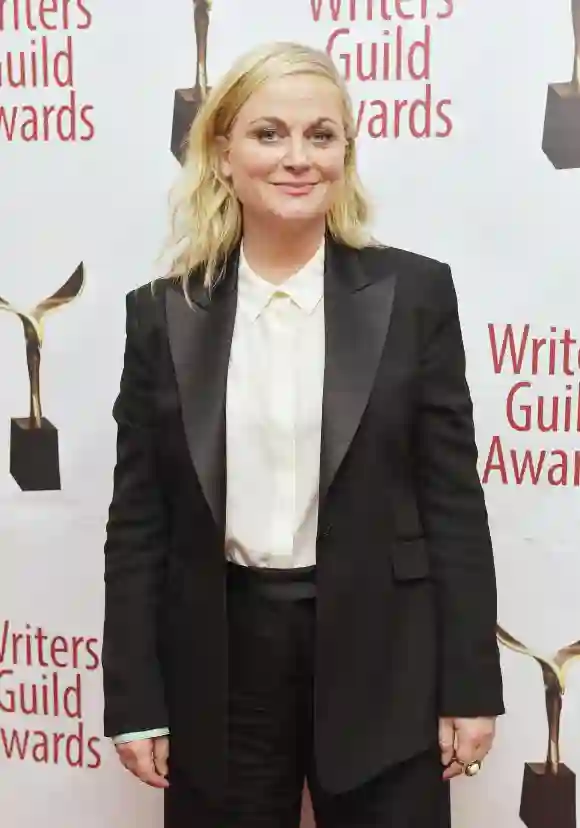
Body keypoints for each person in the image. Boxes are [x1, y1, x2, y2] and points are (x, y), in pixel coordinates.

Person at [102, 41, 504, 828]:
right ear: (222, 154)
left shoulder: (415, 293)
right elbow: (138, 524)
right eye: (268, 134)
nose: (297, 158)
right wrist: (136, 699)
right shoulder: (161, 314)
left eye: (321, 135)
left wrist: (469, 686)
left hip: (386, 658)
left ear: (345, 154)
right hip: (221, 668)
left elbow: (453, 502)